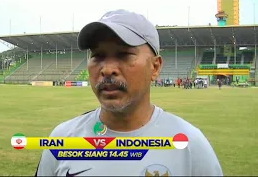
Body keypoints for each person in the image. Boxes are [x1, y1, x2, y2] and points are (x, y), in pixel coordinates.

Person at [35, 9, 223, 176]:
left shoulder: (190, 145)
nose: (107, 69)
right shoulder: (61, 139)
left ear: (155, 67)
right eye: (97, 56)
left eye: (123, 55)